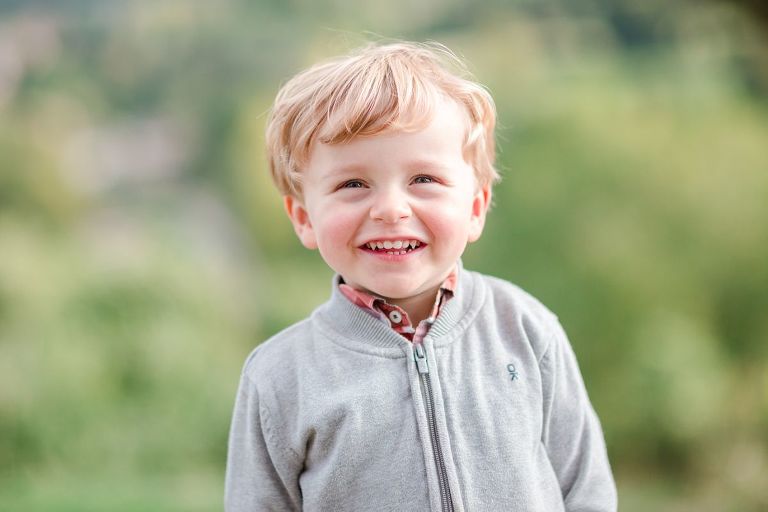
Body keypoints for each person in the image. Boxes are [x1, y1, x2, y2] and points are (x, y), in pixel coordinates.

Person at [225, 41, 617, 511]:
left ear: (474, 207)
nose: (391, 209)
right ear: (304, 217)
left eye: (424, 180)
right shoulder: (280, 377)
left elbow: (586, 490)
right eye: (353, 184)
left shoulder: (526, 330)